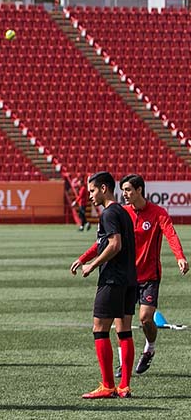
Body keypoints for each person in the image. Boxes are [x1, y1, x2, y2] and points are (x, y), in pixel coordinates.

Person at [70, 171, 136, 399]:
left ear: (104, 188)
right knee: (124, 331)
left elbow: (114, 245)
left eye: (92, 190)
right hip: (129, 279)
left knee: (100, 329)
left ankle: (108, 385)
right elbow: (103, 242)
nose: (89, 196)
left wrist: (92, 265)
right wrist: (83, 258)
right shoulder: (123, 212)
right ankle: (124, 386)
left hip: (112, 280)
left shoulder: (108, 213)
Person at [119, 174, 188, 374]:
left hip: (149, 275)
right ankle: (124, 362)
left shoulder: (158, 213)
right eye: (123, 190)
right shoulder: (123, 213)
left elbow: (171, 234)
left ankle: (150, 348)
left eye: (128, 190)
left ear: (139, 190)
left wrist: (180, 257)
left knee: (145, 318)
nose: (124, 194)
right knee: (122, 321)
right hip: (127, 276)